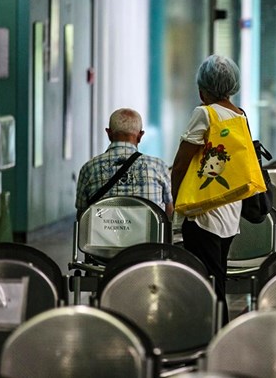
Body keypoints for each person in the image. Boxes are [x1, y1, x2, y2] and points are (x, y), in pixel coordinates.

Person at [170, 54, 245, 321]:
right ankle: (218, 331)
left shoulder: (205, 113)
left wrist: (179, 203)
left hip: (203, 212)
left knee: (206, 281)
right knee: (218, 275)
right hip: (229, 209)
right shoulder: (240, 115)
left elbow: (180, 164)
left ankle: (212, 332)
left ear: (203, 90)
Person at [75, 108, 173, 218]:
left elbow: (82, 216)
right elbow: (169, 211)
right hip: (147, 235)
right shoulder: (158, 167)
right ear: (140, 136)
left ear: (109, 133)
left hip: (102, 235)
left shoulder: (89, 168)